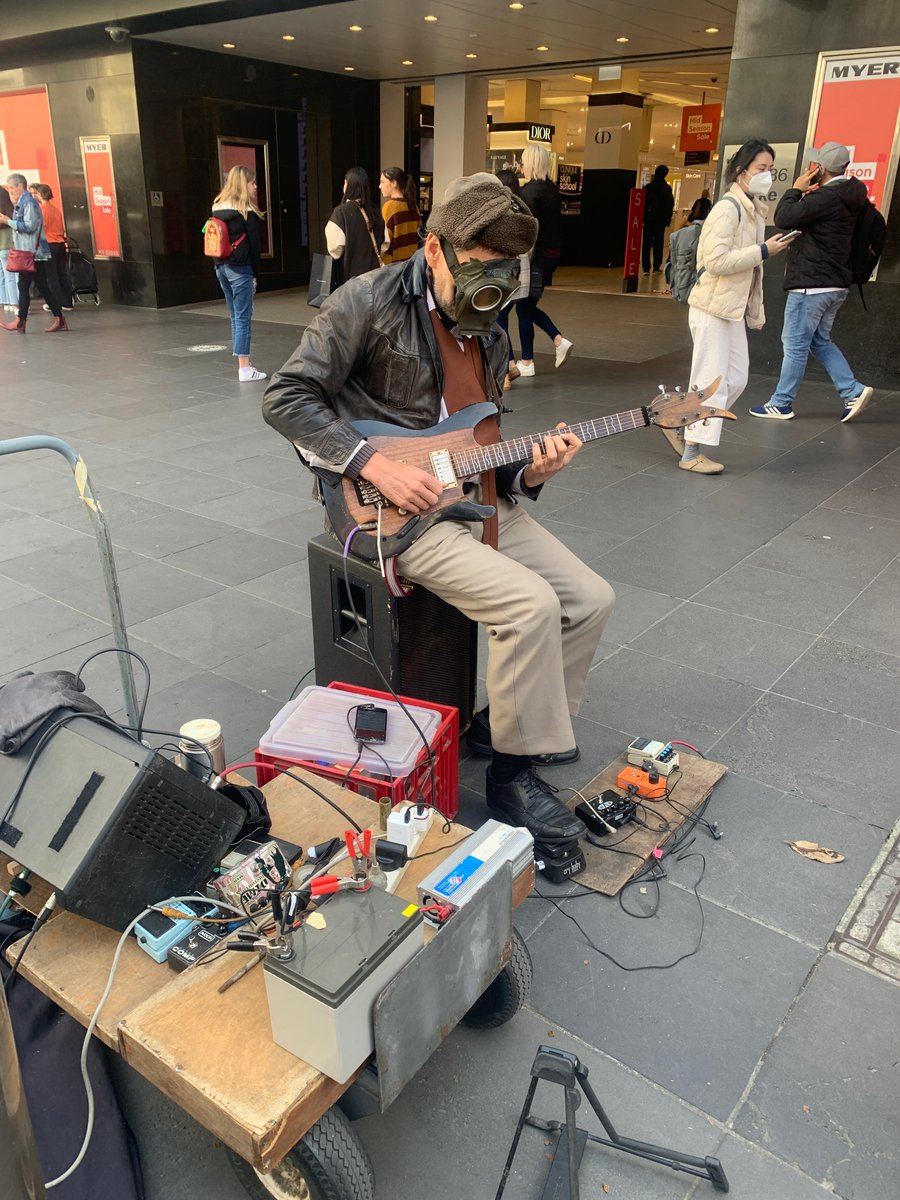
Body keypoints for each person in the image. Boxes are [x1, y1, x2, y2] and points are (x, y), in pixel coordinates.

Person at [262, 173, 615, 846]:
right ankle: (512, 778)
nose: (493, 290)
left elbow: (480, 438)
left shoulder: (492, 329)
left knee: (590, 597)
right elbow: (286, 397)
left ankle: (506, 722)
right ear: (433, 250)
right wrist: (375, 465)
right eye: (479, 271)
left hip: (476, 497)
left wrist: (530, 471)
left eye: (506, 274)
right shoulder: (365, 300)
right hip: (398, 510)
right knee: (529, 605)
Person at [666, 140, 789, 473]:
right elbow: (718, 261)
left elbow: (751, 276)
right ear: (742, 170)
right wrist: (763, 251)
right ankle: (691, 451)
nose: (767, 176)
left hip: (730, 310)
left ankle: (680, 422)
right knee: (712, 380)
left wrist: (755, 313)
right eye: (762, 169)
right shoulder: (727, 208)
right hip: (711, 308)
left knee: (736, 378)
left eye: (769, 170)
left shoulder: (751, 209)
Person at [749, 141, 874, 424]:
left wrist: (796, 189)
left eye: (814, 164)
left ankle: (781, 403)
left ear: (820, 169)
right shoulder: (851, 194)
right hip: (835, 284)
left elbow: (783, 217)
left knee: (794, 344)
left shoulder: (827, 198)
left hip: (812, 285)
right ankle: (852, 391)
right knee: (819, 341)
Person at [514, 145, 573, 376]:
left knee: (523, 307)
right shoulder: (552, 189)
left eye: (523, 161)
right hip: (551, 254)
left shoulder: (529, 192)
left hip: (534, 257)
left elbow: (528, 229)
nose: (521, 165)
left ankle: (528, 361)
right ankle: (557, 340)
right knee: (526, 306)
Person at [211, 164, 266, 382]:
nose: (255, 187)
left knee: (235, 316)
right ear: (244, 184)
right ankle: (244, 368)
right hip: (241, 269)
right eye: (252, 183)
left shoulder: (217, 208)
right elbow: (254, 247)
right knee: (244, 318)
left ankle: (244, 364)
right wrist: (255, 274)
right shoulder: (246, 213)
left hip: (220, 266)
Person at [0, 173, 67, 333]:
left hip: (32, 253)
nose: (10, 192)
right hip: (32, 252)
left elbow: (30, 226)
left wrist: (7, 221)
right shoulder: (23, 202)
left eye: (11, 188)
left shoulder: (29, 202)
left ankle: (21, 321)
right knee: (41, 286)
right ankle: (58, 318)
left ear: (18, 186)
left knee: (24, 285)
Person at [494, 168, 530, 390]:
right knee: (501, 321)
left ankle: (505, 372)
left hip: (506, 272)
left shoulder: (504, 211)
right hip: (520, 273)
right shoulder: (523, 210)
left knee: (499, 322)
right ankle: (510, 365)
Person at [326, 167, 385, 284]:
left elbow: (335, 251)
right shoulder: (375, 211)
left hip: (350, 280)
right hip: (374, 278)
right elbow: (384, 245)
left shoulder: (340, 212)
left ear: (347, 185)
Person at [36, 184, 73, 313]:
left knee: (51, 276)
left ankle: (56, 303)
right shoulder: (56, 210)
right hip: (60, 244)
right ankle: (68, 302)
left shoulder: (42, 210)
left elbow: (40, 228)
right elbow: (61, 229)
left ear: (40, 195)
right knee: (62, 273)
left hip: (49, 244)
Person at [379, 167, 420, 264]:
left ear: (394, 183)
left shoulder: (389, 207)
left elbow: (386, 241)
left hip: (395, 265)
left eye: (383, 182)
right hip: (412, 262)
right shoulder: (414, 206)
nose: (380, 186)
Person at [642, 165, 675, 274]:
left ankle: (646, 267)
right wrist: (668, 218)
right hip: (660, 220)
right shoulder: (666, 189)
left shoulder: (648, 187)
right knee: (658, 243)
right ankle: (656, 266)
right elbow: (670, 204)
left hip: (648, 219)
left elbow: (643, 204)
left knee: (646, 243)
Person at [0, 185, 16, 312]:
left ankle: (5, 301)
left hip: (0, 247)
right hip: (10, 245)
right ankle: (16, 304)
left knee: (3, 275)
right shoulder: (11, 210)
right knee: (14, 275)